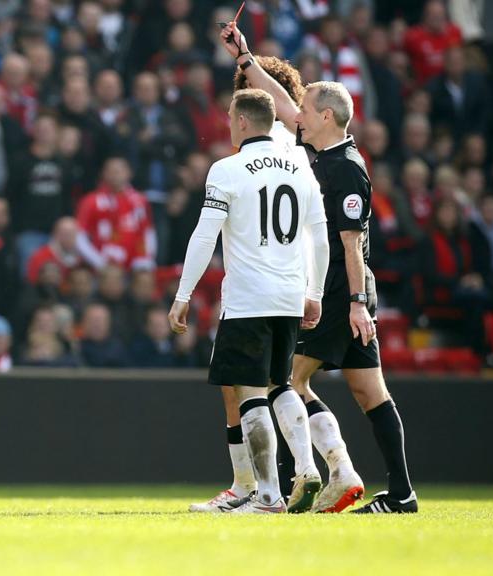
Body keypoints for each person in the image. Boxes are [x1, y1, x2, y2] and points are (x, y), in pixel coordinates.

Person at [225, 23, 419, 513]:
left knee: (284, 380)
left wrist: (356, 305)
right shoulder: (321, 151)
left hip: (339, 290)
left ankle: (331, 473)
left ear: (327, 116)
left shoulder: (346, 168)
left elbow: (352, 245)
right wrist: (247, 59)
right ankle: (400, 493)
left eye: (306, 112)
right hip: (345, 291)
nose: (296, 118)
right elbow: (284, 105)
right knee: (368, 390)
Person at [168, 88, 329, 514]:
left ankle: (269, 495)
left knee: (250, 392)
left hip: (249, 297)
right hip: (291, 295)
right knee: (282, 384)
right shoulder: (301, 166)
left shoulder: (227, 169)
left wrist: (183, 294)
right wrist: (314, 293)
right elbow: (320, 236)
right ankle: (306, 467)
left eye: (229, 118)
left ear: (241, 122)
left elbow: (205, 236)